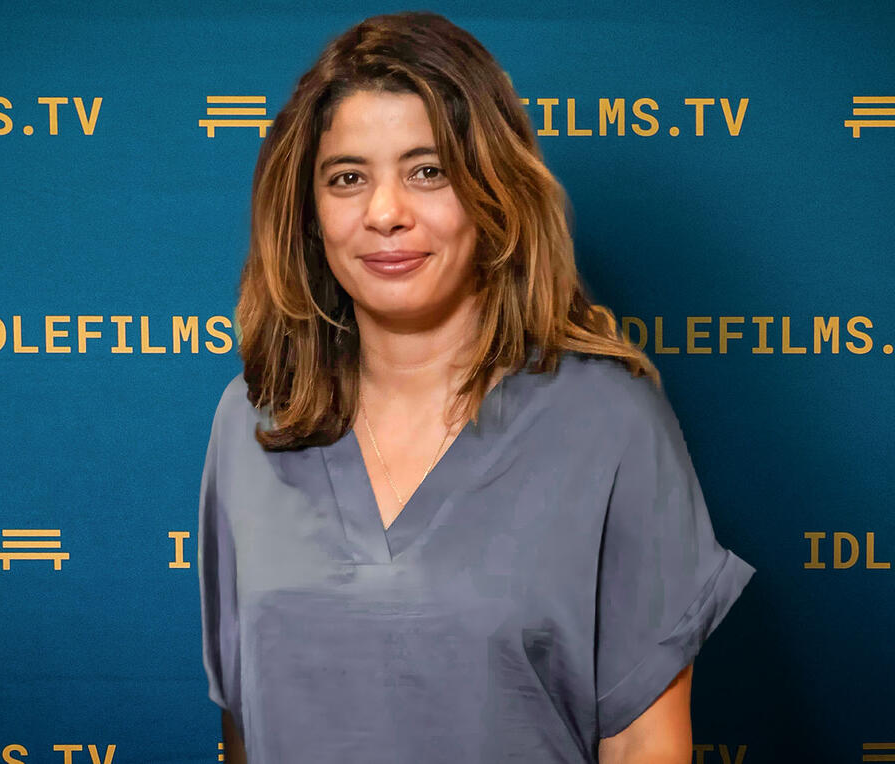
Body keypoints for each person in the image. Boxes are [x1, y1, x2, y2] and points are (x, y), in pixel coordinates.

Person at [197, 10, 754, 763]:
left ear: (493, 191)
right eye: (348, 178)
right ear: (309, 211)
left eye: (428, 171)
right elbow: (242, 732)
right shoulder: (253, 421)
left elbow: (646, 745)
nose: (385, 213)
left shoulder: (609, 422)